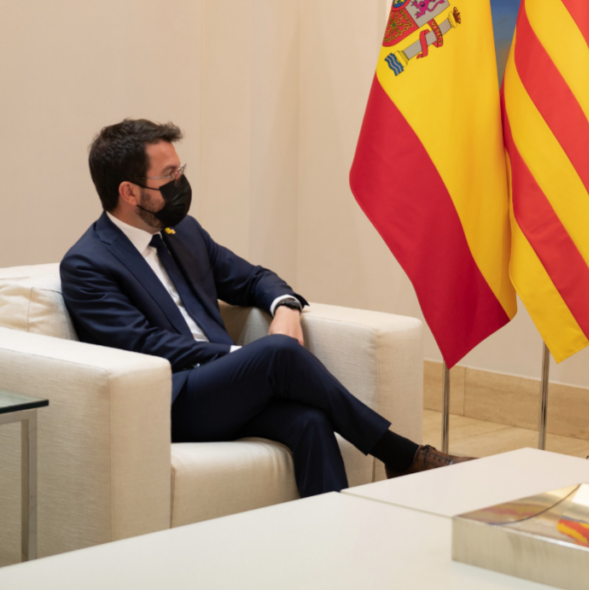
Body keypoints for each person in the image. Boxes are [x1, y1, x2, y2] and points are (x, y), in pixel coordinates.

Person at [60, 119, 470, 497]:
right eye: (168, 176)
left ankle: (332, 545)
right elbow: (144, 344)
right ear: (129, 192)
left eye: (180, 169)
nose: (181, 182)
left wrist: (286, 307)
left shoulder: (183, 232)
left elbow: (253, 278)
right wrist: (244, 357)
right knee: (277, 353)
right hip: (169, 401)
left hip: (225, 392)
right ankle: (402, 455)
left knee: (310, 421)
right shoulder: (88, 263)